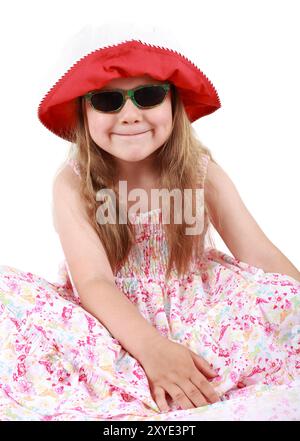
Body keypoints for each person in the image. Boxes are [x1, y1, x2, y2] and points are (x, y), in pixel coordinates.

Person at [0, 22, 299, 421]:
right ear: (83, 112)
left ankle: (192, 375)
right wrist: (152, 348)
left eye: (148, 96)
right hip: (113, 315)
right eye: (108, 101)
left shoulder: (199, 171)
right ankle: (144, 374)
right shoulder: (73, 182)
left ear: (172, 103)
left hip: (200, 308)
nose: (130, 115)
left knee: (286, 303)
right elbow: (94, 282)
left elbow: (256, 250)